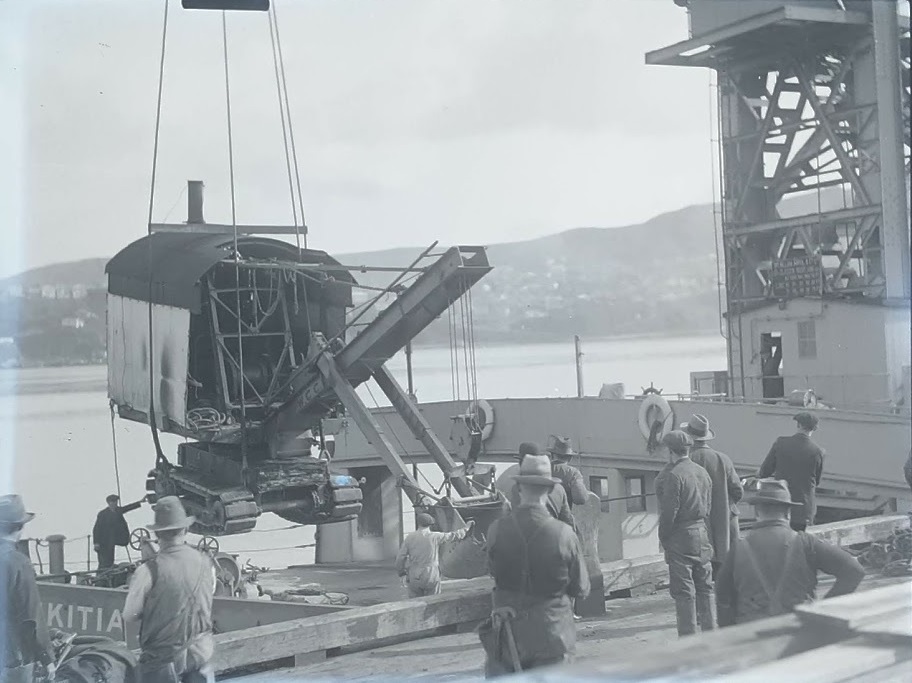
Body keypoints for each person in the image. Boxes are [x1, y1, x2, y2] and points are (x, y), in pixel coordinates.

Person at [482, 452, 590, 675]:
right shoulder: (564, 534)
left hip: (507, 634)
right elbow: (581, 587)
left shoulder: (496, 530)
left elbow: (492, 571)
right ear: (550, 490)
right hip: (552, 634)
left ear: (519, 489)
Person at [715, 478, 864, 626]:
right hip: (798, 631)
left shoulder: (738, 548)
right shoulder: (806, 543)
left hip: (751, 633)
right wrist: (823, 610)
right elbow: (854, 570)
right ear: (788, 513)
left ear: (757, 512)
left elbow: (722, 596)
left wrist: (730, 628)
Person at [123, 496, 216, 683]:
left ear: (157, 535)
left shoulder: (149, 570)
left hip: (163, 663)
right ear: (185, 529)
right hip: (201, 656)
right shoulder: (207, 563)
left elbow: (129, 615)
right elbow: (207, 594)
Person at [655, 430, 715, 637]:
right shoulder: (701, 472)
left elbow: (669, 512)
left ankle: (688, 639)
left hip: (681, 536)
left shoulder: (674, 475)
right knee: (705, 587)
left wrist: (664, 538)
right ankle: (710, 633)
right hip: (702, 532)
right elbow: (708, 505)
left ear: (670, 451)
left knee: (684, 592)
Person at [0, 494, 54, 683]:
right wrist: (47, 658)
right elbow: (30, 619)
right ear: (19, 527)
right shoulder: (18, 563)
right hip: (11, 660)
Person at [681, 414, 743, 578]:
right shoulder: (723, 459)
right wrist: (727, 503)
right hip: (724, 520)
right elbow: (737, 490)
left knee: (703, 577)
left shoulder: (687, 461)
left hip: (698, 523)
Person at [758, 412, 824, 532]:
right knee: (800, 547)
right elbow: (816, 481)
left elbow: (764, 472)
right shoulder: (817, 452)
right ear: (814, 429)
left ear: (798, 425)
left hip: (781, 506)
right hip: (804, 510)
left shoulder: (781, 443)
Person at [396, 512, 475, 598]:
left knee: (415, 601)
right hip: (431, 573)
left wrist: (401, 573)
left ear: (418, 523)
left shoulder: (409, 537)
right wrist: (466, 528)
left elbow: (400, 557)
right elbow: (454, 536)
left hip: (414, 574)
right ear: (430, 524)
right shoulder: (435, 536)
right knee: (433, 600)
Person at [507, 443, 574, 528]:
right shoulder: (559, 489)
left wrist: (507, 511)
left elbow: (517, 521)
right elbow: (568, 521)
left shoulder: (516, 489)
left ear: (521, 464)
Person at [93, 493, 145, 569]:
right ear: (109, 503)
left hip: (112, 540)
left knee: (110, 559)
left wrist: (140, 502)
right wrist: (96, 543)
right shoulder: (102, 514)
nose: (115, 503)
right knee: (104, 561)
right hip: (103, 541)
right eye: (113, 501)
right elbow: (96, 529)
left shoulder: (118, 511)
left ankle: (108, 571)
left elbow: (127, 507)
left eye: (116, 501)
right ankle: (102, 576)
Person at [546, 435, 589, 508]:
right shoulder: (573, 473)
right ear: (570, 458)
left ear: (552, 455)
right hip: (562, 516)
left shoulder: (541, 469)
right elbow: (580, 499)